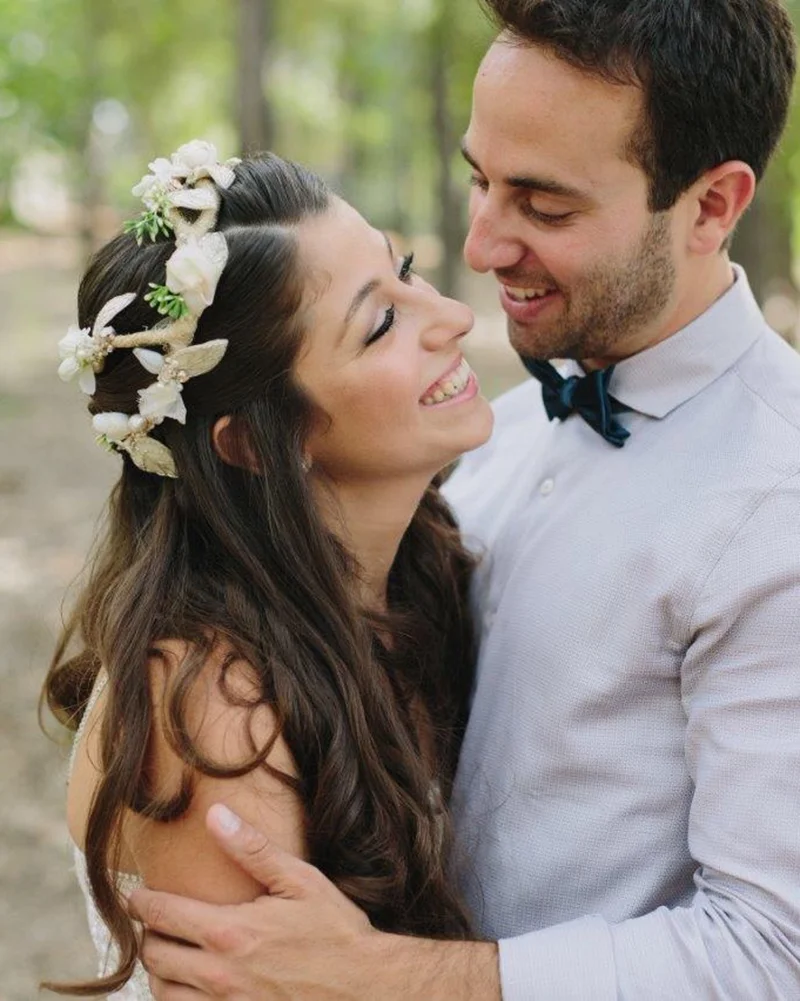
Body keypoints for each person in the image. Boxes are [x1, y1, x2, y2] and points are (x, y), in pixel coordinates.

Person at [127, 1, 800, 999]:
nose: (479, 246)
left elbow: (768, 954)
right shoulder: (492, 435)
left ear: (709, 205)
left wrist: (382, 975)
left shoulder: (772, 501)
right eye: (478, 180)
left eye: (544, 206)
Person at [42, 144, 495, 999]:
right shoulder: (210, 710)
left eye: (402, 272)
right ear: (254, 442)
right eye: (381, 323)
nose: (450, 316)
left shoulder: (420, 564)